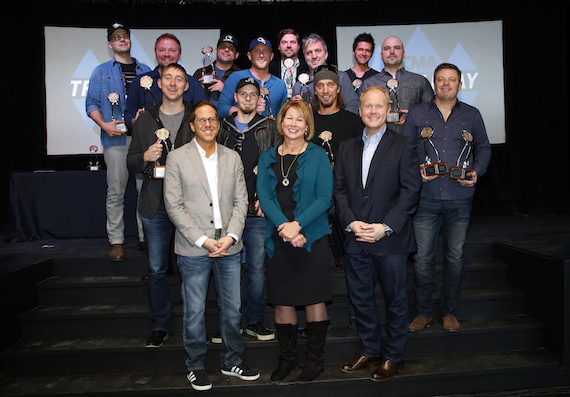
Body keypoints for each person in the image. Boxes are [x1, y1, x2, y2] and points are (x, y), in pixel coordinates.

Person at [164, 100, 260, 391]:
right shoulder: (178, 158)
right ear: (192, 125)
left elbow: (241, 201)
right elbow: (174, 205)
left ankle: (232, 360)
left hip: (229, 245)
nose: (208, 124)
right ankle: (195, 365)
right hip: (194, 247)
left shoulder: (232, 157)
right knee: (194, 311)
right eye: (201, 120)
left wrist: (230, 237)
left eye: (213, 120)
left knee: (232, 309)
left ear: (219, 125)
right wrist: (204, 240)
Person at [334, 86, 422, 382]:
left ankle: (394, 357)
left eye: (379, 106)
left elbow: (411, 192)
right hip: (355, 237)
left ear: (389, 111)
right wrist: (351, 223)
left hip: (391, 240)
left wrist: (384, 227)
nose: (373, 111)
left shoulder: (404, 144)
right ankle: (370, 349)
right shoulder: (346, 146)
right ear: (360, 110)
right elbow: (340, 191)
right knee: (360, 299)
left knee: (396, 300)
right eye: (367, 106)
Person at [402, 63, 491, 333]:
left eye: (451, 80)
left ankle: (449, 311)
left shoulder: (472, 115)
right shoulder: (417, 113)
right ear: (435, 83)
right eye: (441, 80)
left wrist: (476, 172)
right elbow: (405, 152)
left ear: (460, 84)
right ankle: (424, 311)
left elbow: (484, 148)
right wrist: (416, 173)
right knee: (423, 259)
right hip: (425, 198)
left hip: (460, 197)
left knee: (454, 257)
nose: (446, 84)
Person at [257, 100, 333, 382]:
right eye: (289, 118)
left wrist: (298, 226)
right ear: (281, 122)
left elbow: (325, 197)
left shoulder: (318, 155)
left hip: (312, 235)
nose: (293, 124)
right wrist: (285, 229)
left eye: (299, 120)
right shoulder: (267, 157)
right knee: (282, 302)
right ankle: (287, 360)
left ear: (307, 125)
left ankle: (314, 362)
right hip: (279, 237)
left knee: (314, 299)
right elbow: (265, 197)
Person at [127, 63, 195, 349]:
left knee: (191, 266)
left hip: (190, 205)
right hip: (155, 204)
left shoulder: (196, 117)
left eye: (179, 79)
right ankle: (159, 325)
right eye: (168, 78)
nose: (173, 83)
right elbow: (131, 162)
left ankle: (196, 323)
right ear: (159, 83)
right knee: (156, 269)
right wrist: (145, 155)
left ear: (186, 86)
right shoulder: (145, 120)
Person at [218, 77, 281, 342]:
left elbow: (277, 168)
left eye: (253, 95)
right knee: (227, 270)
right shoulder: (221, 128)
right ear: (235, 97)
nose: (247, 98)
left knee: (256, 269)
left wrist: (267, 202)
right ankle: (229, 325)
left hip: (256, 212)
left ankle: (254, 320)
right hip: (226, 211)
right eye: (243, 94)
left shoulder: (270, 128)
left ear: (260, 100)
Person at [85, 22, 151, 261]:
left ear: (130, 41)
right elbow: (91, 104)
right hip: (116, 140)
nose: (122, 39)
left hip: (143, 141)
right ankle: (117, 241)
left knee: (146, 191)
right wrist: (104, 125)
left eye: (125, 36)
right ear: (110, 44)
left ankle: (146, 238)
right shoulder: (101, 71)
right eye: (116, 37)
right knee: (116, 193)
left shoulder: (145, 70)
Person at [310, 66, 364, 328]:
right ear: (315, 90)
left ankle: (357, 315)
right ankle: (318, 318)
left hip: (345, 199)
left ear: (338, 89)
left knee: (354, 261)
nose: (325, 90)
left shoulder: (353, 121)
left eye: (330, 85)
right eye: (320, 86)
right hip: (315, 201)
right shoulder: (307, 120)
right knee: (317, 262)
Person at [125, 33, 206, 129]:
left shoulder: (193, 83)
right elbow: (129, 114)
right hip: (148, 138)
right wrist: (135, 121)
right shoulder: (139, 81)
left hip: (184, 139)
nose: (166, 54)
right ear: (155, 53)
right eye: (162, 50)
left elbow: (203, 114)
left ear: (179, 55)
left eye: (172, 50)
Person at [360, 36, 434, 133]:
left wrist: (412, 120)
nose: (392, 52)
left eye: (397, 48)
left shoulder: (420, 81)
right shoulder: (368, 84)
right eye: (387, 48)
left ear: (404, 53)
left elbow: (433, 114)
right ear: (381, 55)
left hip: (412, 143)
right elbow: (358, 116)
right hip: (379, 143)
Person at [218, 36, 288, 119]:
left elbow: (282, 118)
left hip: (270, 131)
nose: (261, 55)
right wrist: (249, 111)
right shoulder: (236, 77)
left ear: (271, 56)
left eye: (265, 51)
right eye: (257, 51)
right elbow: (221, 109)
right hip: (241, 131)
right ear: (249, 55)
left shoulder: (280, 85)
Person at [291, 33, 359, 115]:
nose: (314, 56)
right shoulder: (299, 86)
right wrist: (295, 107)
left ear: (326, 54)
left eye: (318, 51)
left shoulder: (341, 77)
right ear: (305, 57)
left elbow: (353, 107)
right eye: (309, 52)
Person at [192, 34, 241, 107]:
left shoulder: (241, 75)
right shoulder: (201, 72)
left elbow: (246, 103)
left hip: (229, 117)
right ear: (216, 51)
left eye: (231, 48)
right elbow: (188, 99)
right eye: (223, 47)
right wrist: (197, 89)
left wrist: (226, 91)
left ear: (236, 55)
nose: (226, 50)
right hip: (204, 116)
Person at [269, 28, 310, 98]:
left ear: (299, 46)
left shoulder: (307, 67)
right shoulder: (270, 69)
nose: (288, 45)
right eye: (284, 42)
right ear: (279, 46)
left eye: (292, 42)